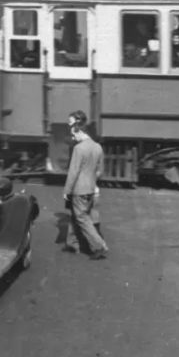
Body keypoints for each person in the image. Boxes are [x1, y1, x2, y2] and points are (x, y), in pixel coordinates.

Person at [62, 111, 108, 260]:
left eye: (73, 135)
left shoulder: (79, 149)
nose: (72, 138)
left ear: (78, 131)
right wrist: (92, 181)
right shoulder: (97, 147)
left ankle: (99, 246)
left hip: (78, 190)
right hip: (91, 189)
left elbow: (73, 173)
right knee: (77, 215)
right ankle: (71, 243)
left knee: (81, 217)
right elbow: (100, 170)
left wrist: (66, 191)